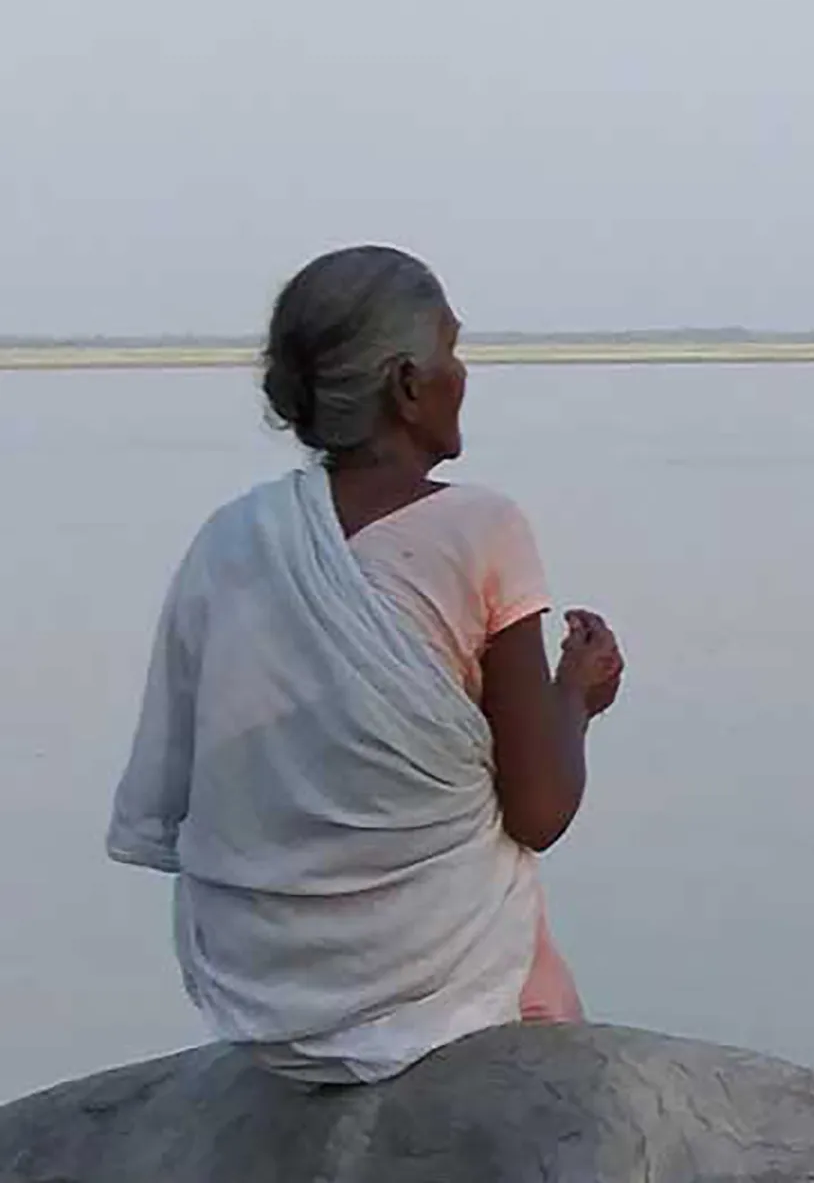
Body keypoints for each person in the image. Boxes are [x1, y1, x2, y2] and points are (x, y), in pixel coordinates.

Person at [106, 246, 624, 1084]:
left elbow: (182, 796)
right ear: (407, 385)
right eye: (453, 353)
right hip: (426, 984)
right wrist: (578, 694)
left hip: (255, 991)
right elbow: (540, 812)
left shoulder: (231, 540)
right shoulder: (484, 529)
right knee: (543, 986)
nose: (464, 375)